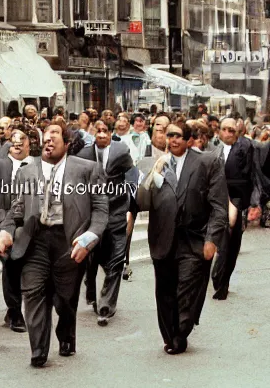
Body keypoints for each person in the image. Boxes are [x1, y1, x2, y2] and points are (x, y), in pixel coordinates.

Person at [0, 122, 108, 368]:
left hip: (69, 240)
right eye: (46, 136)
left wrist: (89, 237)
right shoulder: (27, 171)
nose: (48, 140)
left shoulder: (87, 170)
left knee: (65, 299)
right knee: (33, 292)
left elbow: (100, 209)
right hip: (35, 240)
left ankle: (66, 335)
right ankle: (38, 350)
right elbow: (16, 209)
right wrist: (5, 231)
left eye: (55, 136)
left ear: (67, 144)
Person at [135, 123, 228, 354]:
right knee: (164, 291)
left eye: (178, 136)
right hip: (163, 238)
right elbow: (141, 202)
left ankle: (181, 333)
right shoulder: (153, 163)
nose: (173, 140)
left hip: (193, 239)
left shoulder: (207, 163)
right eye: (170, 135)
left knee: (185, 289)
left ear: (188, 140)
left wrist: (212, 239)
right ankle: (169, 334)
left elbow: (219, 206)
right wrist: (153, 175)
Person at [76, 119, 136, 326]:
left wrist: (132, 209)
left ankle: (106, 306)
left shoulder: (121, 151)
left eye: (105, 131)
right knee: (93, 257)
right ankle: (90, 287)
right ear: (93, 132)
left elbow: (132, 178)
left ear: (111, 133)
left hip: (117, 213)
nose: (101, 134)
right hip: (92, 217)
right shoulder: (83, 155)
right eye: (98, 131)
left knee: (116, 260)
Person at [0, 126, 33, 333]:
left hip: (30, 224)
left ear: (31, 144)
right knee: (12, 264)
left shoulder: (36, 166)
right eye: (14, 140)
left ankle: (16, 308)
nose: (18, 143)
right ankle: (15, 312)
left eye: (23, 139)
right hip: (5, 223)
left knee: (28, 268)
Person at [209, 118, 259, 300]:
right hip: (214, 200)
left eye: (232, 130)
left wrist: (253, 203)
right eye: (225, 130)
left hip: (236, 200)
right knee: (218, 241)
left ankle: (223, 282)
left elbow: (252, 176)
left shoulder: (245, 148)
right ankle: (217, 274)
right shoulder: (213, 148)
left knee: (231, 243)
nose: (228, 133)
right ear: (219, 131)